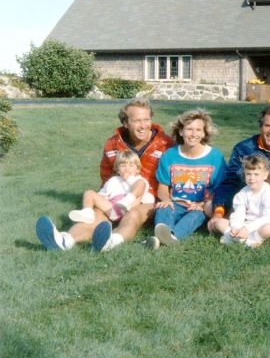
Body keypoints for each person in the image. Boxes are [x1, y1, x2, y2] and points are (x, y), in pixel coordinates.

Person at [36, 98, 174, 252]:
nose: (143, 126)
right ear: (126, 123)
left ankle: (110, 242)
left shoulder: (166, 144)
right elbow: (108, 176)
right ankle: (65, 240)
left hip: (149, 200)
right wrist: (105, 200)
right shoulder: (113, 144)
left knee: (133, 215)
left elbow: (175, 177)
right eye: (137, 121)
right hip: (117, 197)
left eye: (146, 119)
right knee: (95, 216)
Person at [208, 105, 270, 231]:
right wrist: (218, 211)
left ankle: (247, 227)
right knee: (209, 205)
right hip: (248, 198)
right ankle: (249, 225)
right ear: (261, 126)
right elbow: (230, 181)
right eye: (267, 126)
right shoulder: (243, 148)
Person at [147, 109, 227, 248]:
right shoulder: (170, 155)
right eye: (189, 129)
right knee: (163, 209)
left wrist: (203, 204)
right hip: (176, 203)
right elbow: (163, 186)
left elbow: (221, 189)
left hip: (199, 206)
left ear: (204, 133)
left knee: (196, 216)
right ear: (181, 131)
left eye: (198, 130)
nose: (193, 134)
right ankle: (164, 235)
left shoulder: (215, 157)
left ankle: (171, 237)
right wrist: (165, 200)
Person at [213, 154, 270, 247]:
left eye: (256, 174)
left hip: (263, 223)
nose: (252, 178)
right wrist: (236, 227)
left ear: (265, 175)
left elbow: (267, 217)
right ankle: (243, 240)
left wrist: (247, 229)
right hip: (246, 223)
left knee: (269, 229)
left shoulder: (268, 192)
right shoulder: (243, 192)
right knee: (219, 222)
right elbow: (238, 213)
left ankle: (244, 240)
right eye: (248, 174)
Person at [67, 151, 149, 225]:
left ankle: (125, 202)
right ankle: (88, 213)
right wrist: (101, 197)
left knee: (141, 184)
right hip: (112, 209)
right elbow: (103, 193)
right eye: (123, 166)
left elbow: (143, 192)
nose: (127, 168)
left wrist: (128, 178)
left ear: (137, 169)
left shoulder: (139, 180)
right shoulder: (113, 180)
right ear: (117, 169)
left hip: (129, 208)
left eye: (131, 165)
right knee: (89, 193)